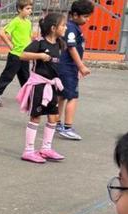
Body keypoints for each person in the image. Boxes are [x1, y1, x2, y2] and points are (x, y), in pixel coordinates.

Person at [16, 13, 67, 164]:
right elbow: (22, 55)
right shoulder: (39, 43)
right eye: (62, 25)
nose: (65, 28)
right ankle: (29, 150)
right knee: (36, 117)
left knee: (53, 117)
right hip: (39, 85)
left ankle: (46, 148)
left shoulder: (59, 43)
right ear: (53, 28)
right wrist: (39, 56)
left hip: (52, 85)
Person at [56, 0, 94, 141]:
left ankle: (56, 123)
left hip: (65, 67)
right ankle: (67, 127)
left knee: (62, 96)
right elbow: (71, 48)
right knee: (72, 96)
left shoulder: (72, 27)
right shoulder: (71, 28)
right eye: (85, 16)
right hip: (67, 67)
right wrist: (81, 66)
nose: (87, 19)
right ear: (75, 15)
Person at [0, 0, 33, 107]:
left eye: (30, 8)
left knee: (25, 77)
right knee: (7, 76)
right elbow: (2, 34)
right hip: (15, 55)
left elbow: (28, 38)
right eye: (27, 9)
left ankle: (28, 97)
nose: (30, 11)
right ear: (19, 9)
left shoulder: (28, 23)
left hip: (25, 56)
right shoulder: (15, 21)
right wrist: (10, 44)